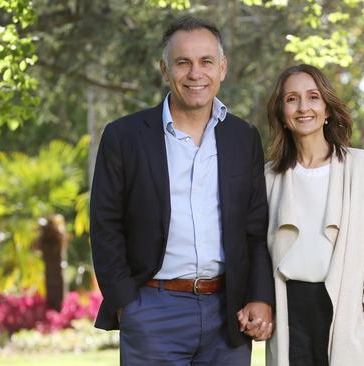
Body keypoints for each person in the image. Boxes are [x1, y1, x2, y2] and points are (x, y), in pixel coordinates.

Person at [90, 16, 274, 365]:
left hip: (227, 312)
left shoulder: (243, 137)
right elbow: (105, 226)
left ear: (222, 68)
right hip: (152, 310)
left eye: (206, 61)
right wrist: (126, 303)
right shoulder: (124, 137)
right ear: (164, 69)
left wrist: (260, 296)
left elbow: (255, 230)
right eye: (183, 62)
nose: (195, 73)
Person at [261, 64, 364, 366]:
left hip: (343, 311)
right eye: (292, 99)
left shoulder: (359, 167)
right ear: (281, 112)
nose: (303, 107)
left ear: (327, 108)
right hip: (289, 311)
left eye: (313, 97)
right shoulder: (268, 177)